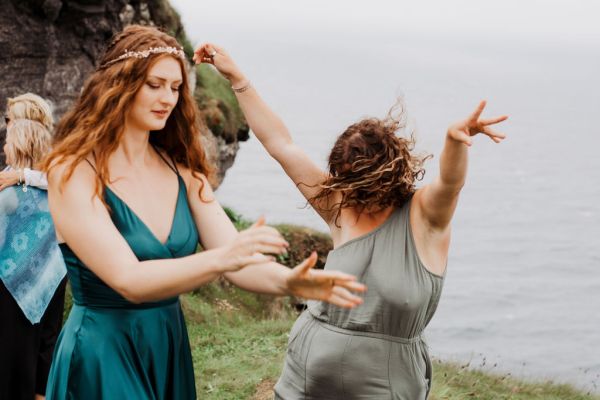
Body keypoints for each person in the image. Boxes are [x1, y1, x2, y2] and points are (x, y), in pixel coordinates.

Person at [42, 25, 366, 400]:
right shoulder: (72, 172)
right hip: (101, 353)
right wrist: (223, 259)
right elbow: (128, 279)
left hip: (166, 347)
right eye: (155, 84)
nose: (168, 98)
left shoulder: (182, 172)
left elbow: (241, 259)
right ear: (119, 84)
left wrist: (288, 282)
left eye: (176, 87)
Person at [197, 43, 508, 399]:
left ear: (388, 174)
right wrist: (238, 78)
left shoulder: (425, 217)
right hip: (305, 376)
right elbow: (281, 145)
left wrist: (454, 141)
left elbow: (450, 184)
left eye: (359, 183)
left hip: (384, 385)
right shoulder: (339, 204)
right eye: (343, 180)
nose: (349, 192)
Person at [0, 119, 67, 400]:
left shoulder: (7, 191)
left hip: (5, 286)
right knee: (43, 341)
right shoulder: (59, 192)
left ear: (17, 145)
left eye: (7, 140)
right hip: (49, 279)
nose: (3, 145)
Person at [1, 93, 53, 191]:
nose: (6, 125)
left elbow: (60, 180)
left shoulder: (55, 160)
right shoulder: (19, 158)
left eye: (8, 119)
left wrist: (22, 176)